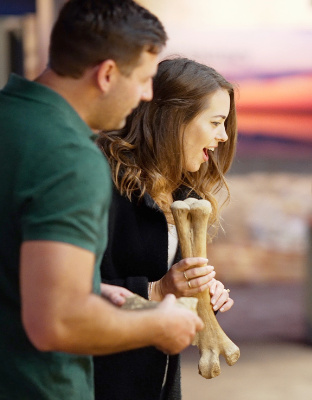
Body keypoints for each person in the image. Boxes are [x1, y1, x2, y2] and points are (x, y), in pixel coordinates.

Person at [0, 1, 203, 399]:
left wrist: (95, 289)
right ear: (106, 74)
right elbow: (58, 323)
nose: (146, 96)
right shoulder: (70, 155)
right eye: (144, 79)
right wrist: (161, 325)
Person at [94, 57, 237, 400]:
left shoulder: (181, 192)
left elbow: (164, 294)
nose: (224, 136)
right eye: (216, 122)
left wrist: (199, 293)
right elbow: (64, 292)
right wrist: (157, 291)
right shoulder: (99, 181)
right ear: (175, 119)